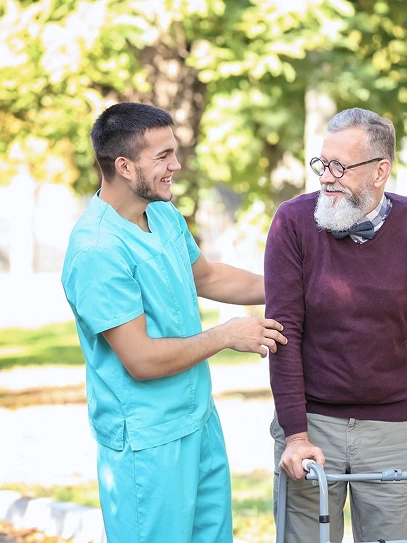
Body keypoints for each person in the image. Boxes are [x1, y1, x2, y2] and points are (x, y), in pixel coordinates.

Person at [61, 102, 287, 543]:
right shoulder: (97, 250)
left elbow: (207, 276)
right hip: (147, 442)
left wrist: (298, 287)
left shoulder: (163, 215)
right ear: (124, 166)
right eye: (162, 156)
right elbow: (141, 360)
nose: (176, 165)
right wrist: (224, 335)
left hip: (198, 422)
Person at [264, 107, 407, 543]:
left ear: (381, 172)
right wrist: (295, 435)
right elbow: (283, 333)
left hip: (390, 430)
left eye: (340, 166)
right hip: (311, 424)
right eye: (323, 163)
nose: (326, 177)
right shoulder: (292, 221)